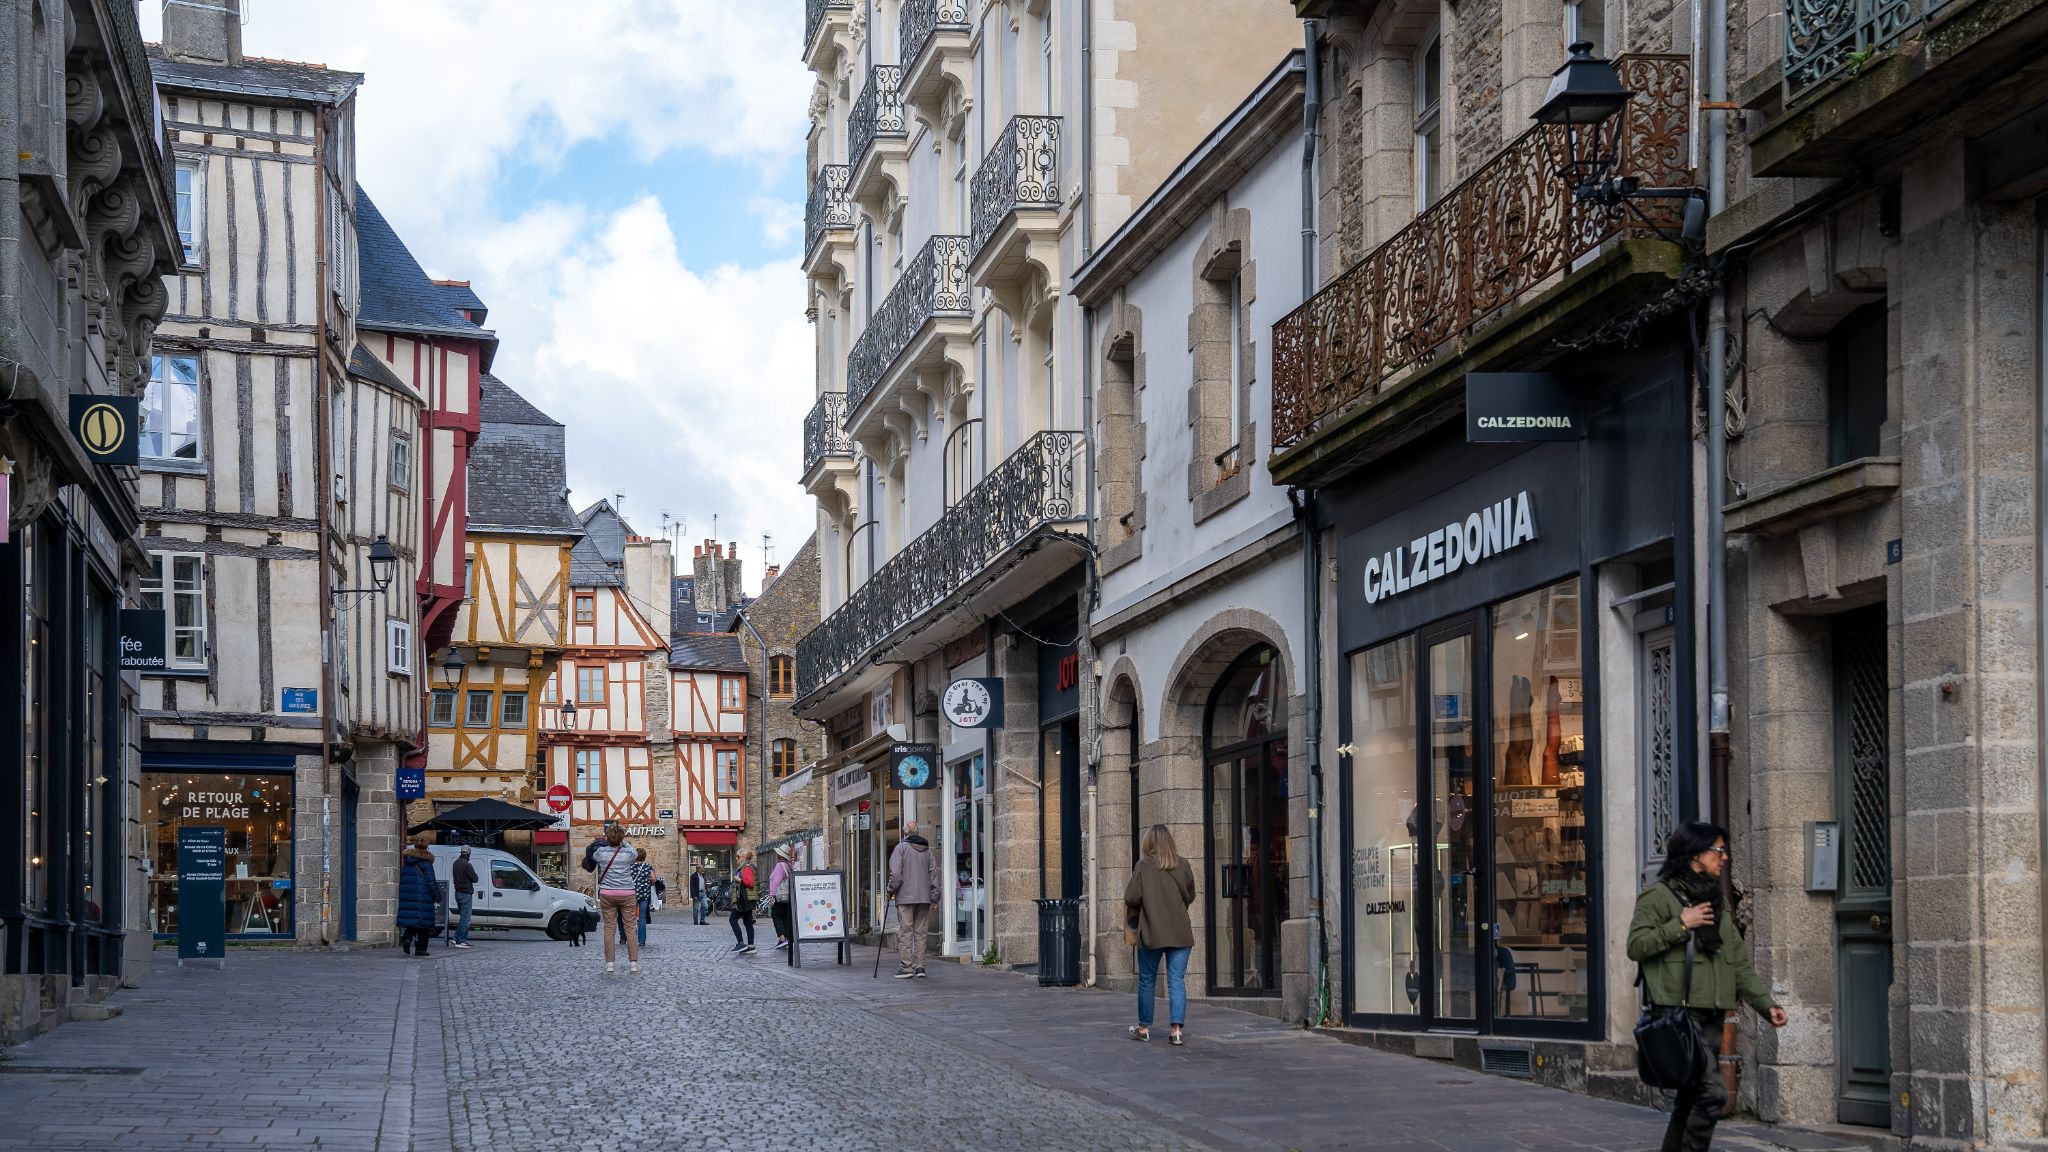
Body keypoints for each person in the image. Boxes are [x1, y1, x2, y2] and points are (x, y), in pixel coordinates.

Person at [1628, 821, 1787, 1152]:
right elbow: (1636, 946)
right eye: (1718, 850)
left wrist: (1766, 1004)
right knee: (1713, 1094)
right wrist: (1680, 924)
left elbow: (1737, 961)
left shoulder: (1718, 902)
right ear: (1695, 854)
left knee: (1690, 1098)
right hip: (1679, 1014)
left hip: (1713, 1013)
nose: (1724, 857)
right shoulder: (1658, 896)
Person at [1125, 824, 1196, 1044]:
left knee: (1147, 980)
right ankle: (1176, 1031)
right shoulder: (1183, 864)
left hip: (1152, 931)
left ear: (1149, 843)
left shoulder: (1144, 866)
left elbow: (1130, 897)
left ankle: (1144, 1028)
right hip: (1180, 932)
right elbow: (1190, 895)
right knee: (1176, 980)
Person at [887, 819, 939, 979]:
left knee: (906, 932)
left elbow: (896, 874)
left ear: (905, 833)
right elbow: (934, 874)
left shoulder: (901, 848)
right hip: (923, 897)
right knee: (921, 933)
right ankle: (920, 966)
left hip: (905, 898)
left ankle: (906, 967)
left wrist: (890, 890)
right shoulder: (928, 850)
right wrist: (935, 897)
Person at [590, 825, 641, 974]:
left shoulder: (601, 852)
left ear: (607, 837)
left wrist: (608, 841)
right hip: (627, 893)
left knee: (609, 929)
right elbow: (635, 852)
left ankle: (610, 965)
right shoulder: (628, 853)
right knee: (630, 928)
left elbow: (593, 855)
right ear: (622, 837)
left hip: (607, 893)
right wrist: (623, 842)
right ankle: (633, 964)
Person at [396, 836, 441, 957]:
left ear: (415, 846)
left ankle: (407, 937)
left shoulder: (407, 862)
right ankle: (421, 949)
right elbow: (431, 882)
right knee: (424, 924)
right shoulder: (426, 863)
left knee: (413, 920)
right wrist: (437, 896)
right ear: (427, 847)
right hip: (423, 897)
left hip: (409, 896)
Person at [450, 846, 478, 949]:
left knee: (463, 917)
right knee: (466, 919)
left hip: (458, 892)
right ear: (469, 853)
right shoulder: (467, 865)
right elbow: (475, 878)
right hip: (466, 893)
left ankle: (456, 937)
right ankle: (461, 940)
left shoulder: (455, 863)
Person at [728, 857, 758, 954]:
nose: (736, 858)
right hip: (745, 899)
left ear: (743, 857)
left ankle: (740, 943)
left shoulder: (746, 868)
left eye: (738, 857)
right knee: (748, 922)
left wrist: (739, 879)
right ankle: (751, 946)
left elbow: (750, 883)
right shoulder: (744, 867)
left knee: (733, 919)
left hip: (743, 900)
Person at [769, 846, 796, 951]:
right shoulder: (789, 865)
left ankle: (782, 939)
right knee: (785, 917)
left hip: (779, 896)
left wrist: (772, 895)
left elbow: (776, 881)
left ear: (780, 854)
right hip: (788, 896)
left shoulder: (780, 865)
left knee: (775, 915)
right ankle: (788, 940)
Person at [631, 849, 655, 951]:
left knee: (631, 917)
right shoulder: (648, 866)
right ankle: (641, 940)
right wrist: (649, 883)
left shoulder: (630, 866)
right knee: (642, 917)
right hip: (645, 894)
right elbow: (654, 879)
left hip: (632, 894)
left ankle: (631, 938)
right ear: (644, 856)